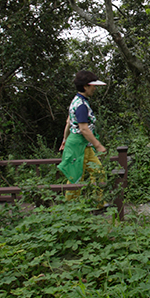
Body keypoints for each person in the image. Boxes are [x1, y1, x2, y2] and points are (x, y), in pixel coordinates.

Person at [58, 71, 107, 201]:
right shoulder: (81, 105)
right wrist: (98, 145)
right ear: (85, 86)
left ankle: (98, 202)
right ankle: (72, 209)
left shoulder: (77, 101)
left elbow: (69, 122)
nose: (95, 89)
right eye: (93, 86)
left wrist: (64, 139)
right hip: (78, 144)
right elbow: (84, 129)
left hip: (82, 144)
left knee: (98, 172)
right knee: (75, 177)